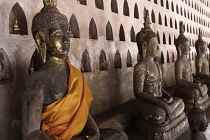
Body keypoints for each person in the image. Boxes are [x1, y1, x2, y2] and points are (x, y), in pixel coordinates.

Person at [21, 0, 100, 140]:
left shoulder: (75, 75)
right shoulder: (36, 80)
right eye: (58, 35)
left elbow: (81, 111)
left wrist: (94, 131)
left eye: (67, 35)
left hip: (80, 135)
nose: (66, 41)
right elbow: (30, 132)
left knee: (120, 135)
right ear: (41, 40)